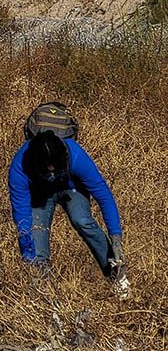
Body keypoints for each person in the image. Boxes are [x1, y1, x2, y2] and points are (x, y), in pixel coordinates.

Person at [8, 102, 130, 300]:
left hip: (71, 187)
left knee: (82, 220)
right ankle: (44, 297)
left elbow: (104, 196)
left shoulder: (75, 155)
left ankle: (116, 275)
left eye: (56, 169)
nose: (52, 174)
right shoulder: (19, 168)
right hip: (40, 194)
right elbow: (23, 218)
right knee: (37, 248)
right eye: (47, 171)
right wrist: (29, 256)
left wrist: (116, 238)